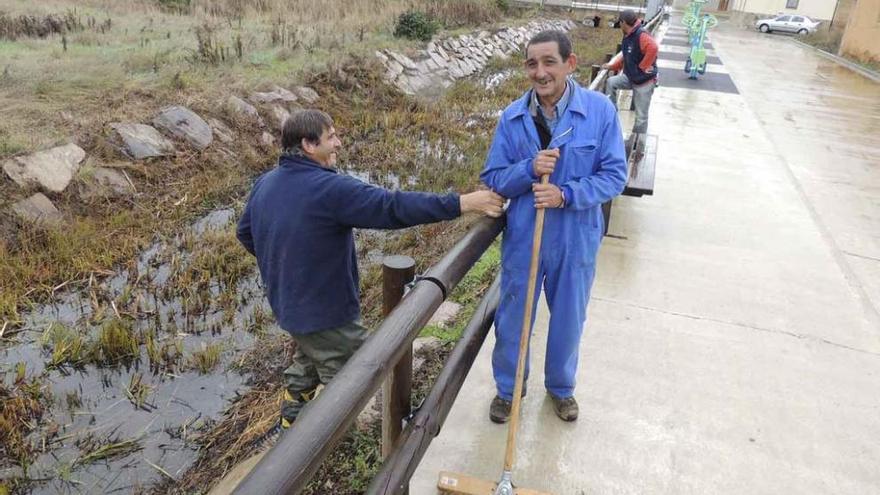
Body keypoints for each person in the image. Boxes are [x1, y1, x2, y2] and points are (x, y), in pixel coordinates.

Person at [237, 109, 504, 429]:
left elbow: (245, 233)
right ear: (308, 144)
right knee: (352, 380)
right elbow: (392, 207)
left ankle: (289, 423)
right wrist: (463, 203)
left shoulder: (267, 182)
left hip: (289, 305)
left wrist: (285, 266)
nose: (338, 142)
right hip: (326, 314)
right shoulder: (329, 190)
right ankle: (318, 448)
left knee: (306, 361)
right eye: (331, 136)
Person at [481, 30, 627, 423]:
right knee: (514, 318)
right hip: (525, 237)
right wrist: (528, 170)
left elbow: (614, 176)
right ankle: (509, 390)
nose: (540, 72)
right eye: (532, 63)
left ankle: (561, 389)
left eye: (549, 62)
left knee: (567, 318)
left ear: (570, 64)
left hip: (576, 237)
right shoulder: (513, 119)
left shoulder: (599, 112)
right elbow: (494, 176)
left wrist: (566, 194)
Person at [602, 9, 658, 134]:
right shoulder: (628, 36)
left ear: (623, 23)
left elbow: (653, 48)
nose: (619, 25)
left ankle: (637, 144)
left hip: (644, 81)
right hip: (631, 77)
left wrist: (643, 66)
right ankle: (612, 114)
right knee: (611, 82)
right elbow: (627, 57)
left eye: (620, 23)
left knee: (641, 117)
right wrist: (612, 66)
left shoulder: (641, 35)